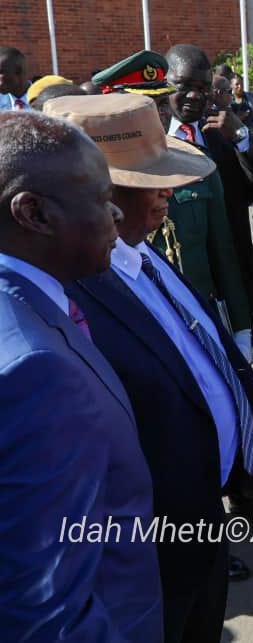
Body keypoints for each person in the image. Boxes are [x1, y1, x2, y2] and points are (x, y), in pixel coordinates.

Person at [52, 94, 253, 643]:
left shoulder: (146, 254)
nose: (167, 193)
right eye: (146, 180)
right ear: (95, 191)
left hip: (204, 522)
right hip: (147, 552)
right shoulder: (69, 294)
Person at [0, 110, 162, 641]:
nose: (116, 209)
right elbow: (46, 610)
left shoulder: (32, 309)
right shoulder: (37, 371)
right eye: (98, 196)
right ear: (35, 214)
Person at [165, 44, 253, 341]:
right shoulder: (151, 138)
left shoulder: (221, 132)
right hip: (180, 284)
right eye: (184, 86)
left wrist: (241, 138)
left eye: (203, 87)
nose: (196, 95)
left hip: (231, 284)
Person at [91, 50, 177, 130]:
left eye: (164, 104)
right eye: (145, 106)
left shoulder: (183, 146)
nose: (159, 112)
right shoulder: (92, 146)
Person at [231, 73, 253, 140]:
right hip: (238, 136)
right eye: (237, 84)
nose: (240, 86)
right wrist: (238, 118)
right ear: (231, 85)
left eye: (241, 84)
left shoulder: (252, 97)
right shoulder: (228, 101)